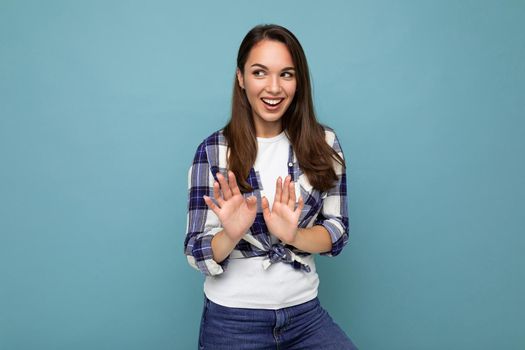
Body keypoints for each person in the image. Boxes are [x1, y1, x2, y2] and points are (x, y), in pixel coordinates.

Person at [184, 24, 358, 350]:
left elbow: (338, 230)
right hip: (233, 323)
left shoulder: (325, 144)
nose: (274, 88)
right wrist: (231, 234)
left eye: (287, 74)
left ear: (298, 81)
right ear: (241, 78)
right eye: (260, 73)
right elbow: (195, 249)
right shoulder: (212, 152)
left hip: (305, 316)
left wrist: (295, 236)